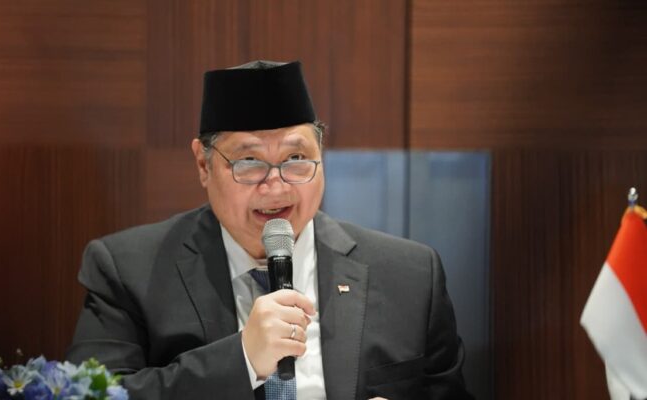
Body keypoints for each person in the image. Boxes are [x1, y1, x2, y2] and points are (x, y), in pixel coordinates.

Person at [66, 60, 473, 399]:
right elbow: (91, 394)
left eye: (296, 158)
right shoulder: (128, 270)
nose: (276, 187)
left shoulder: (410, 275)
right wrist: (241, 359)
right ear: (204, 165)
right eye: (249, 162)